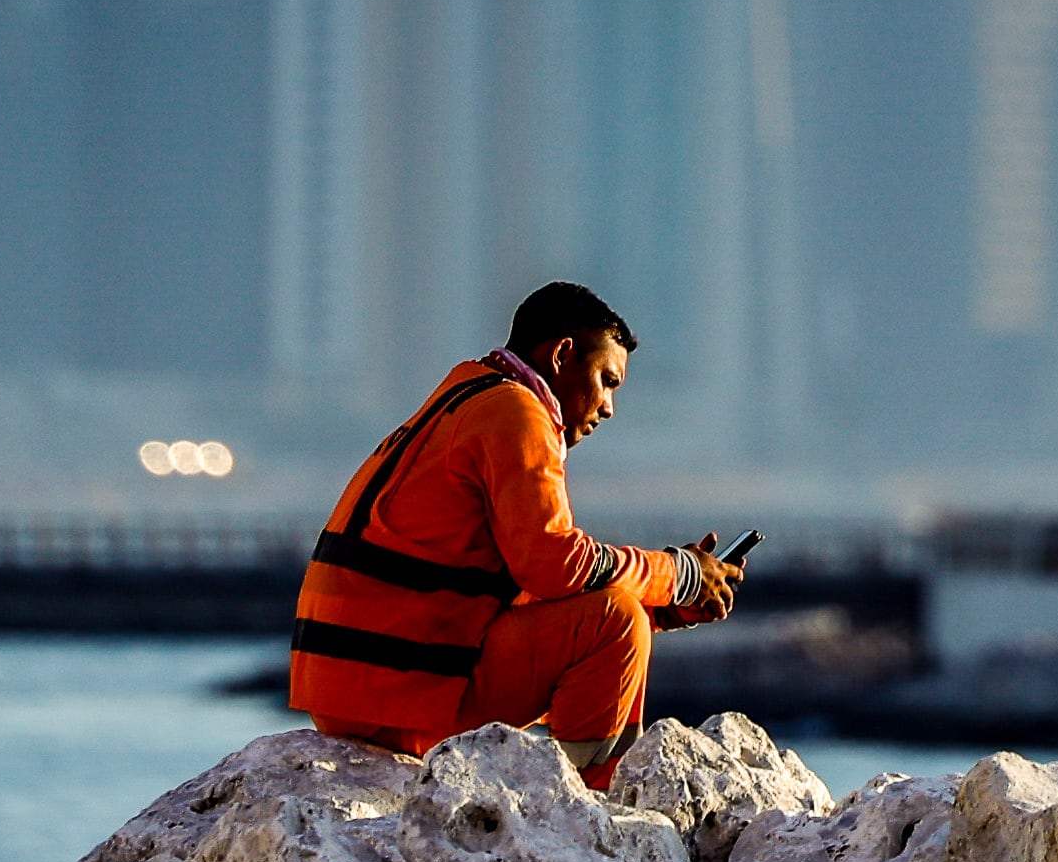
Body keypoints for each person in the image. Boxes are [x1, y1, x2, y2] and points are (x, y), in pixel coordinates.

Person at [287, 282, 741, 783]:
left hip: (354, 691)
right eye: (606, 380)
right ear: (564, 355)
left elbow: (506, 581)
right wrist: (676, 573)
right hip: (397, 700)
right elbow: (554, 563)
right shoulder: (518, 412)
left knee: (626, 614)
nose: (609, 405)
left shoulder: (465, 395)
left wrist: (662, 605)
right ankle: (591, 807)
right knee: (615, 622)